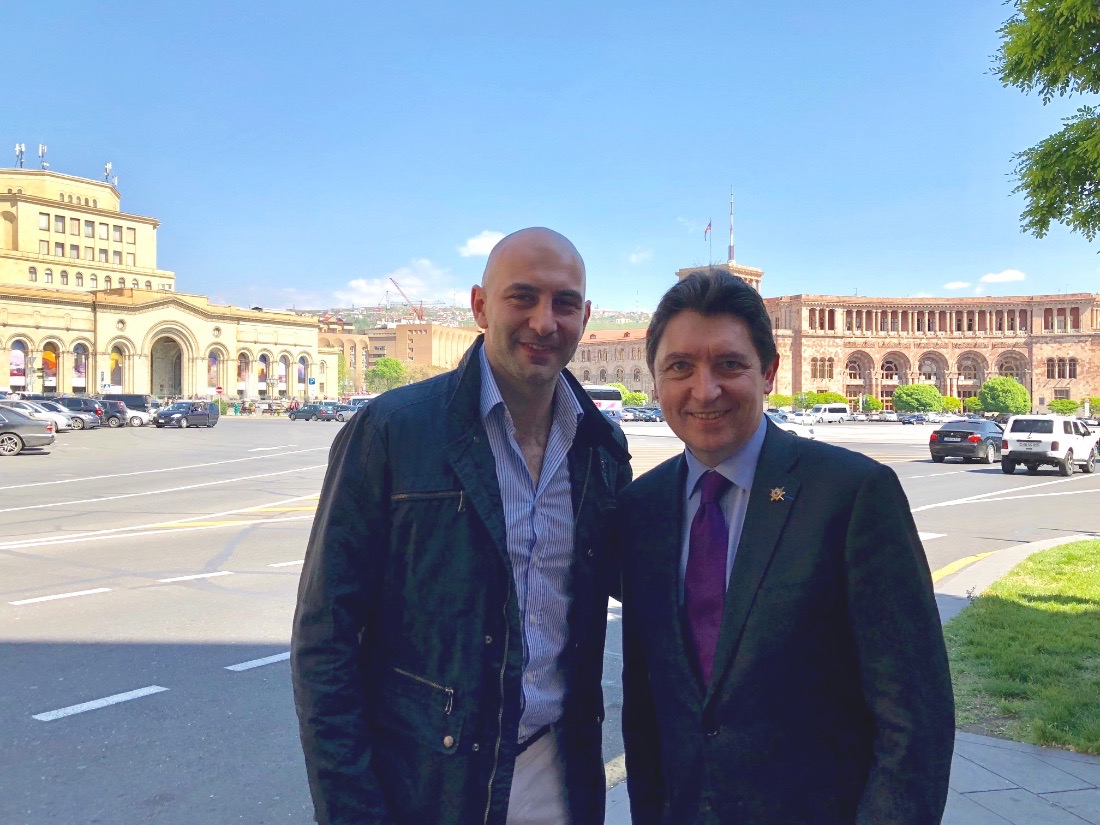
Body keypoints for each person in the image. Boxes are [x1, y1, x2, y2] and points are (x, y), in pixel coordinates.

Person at [291, 227, 631, 825]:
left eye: (564, 303)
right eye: (521, 297)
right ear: (479, 306)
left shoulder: (600, 447)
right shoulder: (392, 431)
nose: (544, 321)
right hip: (430, 784)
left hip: (559, 777)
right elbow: (326, 639)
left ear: (584, 316)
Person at [619, 270, 954, 823]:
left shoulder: (851, 494)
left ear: (769, 372)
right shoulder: (640, 509)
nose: (704, 390)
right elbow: (646, 703)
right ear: (656, 380)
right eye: (679, 367)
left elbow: (914, 717)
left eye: (729, 364)